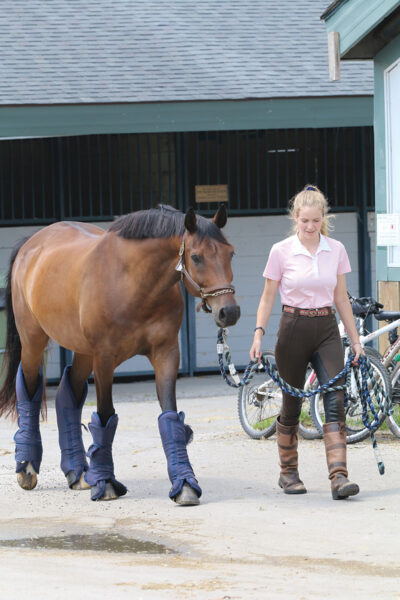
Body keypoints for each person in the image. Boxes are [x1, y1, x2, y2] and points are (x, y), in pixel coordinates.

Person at [250, 184, 364, 500]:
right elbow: (267, 297)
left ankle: (339, 478)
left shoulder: (336, 250)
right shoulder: (281, 251)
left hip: (327, 328)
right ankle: (288, 474)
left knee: (335, 399)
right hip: (292, 328)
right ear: (296, 218)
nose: (311, 227)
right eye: (305, 221)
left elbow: (341, 298)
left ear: (323, 218)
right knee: (291, 404)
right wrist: (258, 333)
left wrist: (354, 342)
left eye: (316, 221)